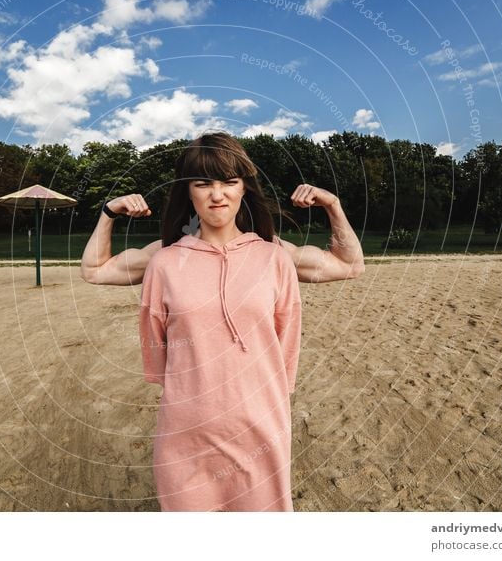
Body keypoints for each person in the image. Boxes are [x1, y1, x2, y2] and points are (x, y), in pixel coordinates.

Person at [80, 132, 364, 511]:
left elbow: (349, 265)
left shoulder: (274, 255)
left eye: (229, 182)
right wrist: (108, 212)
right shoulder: (164, 259)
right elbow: (95, 270)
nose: (217, 195)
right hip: (186, 431)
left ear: (244, 188)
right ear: (189, 192)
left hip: (260, 425)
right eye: (203, 183)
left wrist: (333, 205)